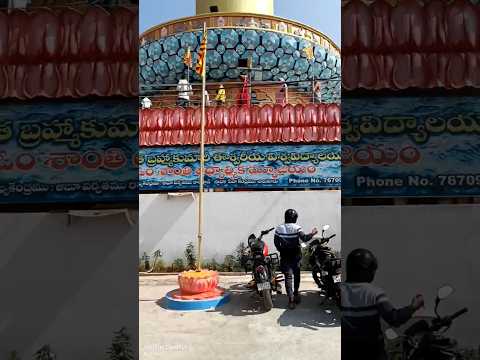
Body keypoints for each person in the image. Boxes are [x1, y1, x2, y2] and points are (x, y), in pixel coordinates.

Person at [340, 248, 425, 360]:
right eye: (373, 269)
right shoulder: (374, 293)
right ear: (366, 270)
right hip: (372, 352)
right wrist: (413, 306)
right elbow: (394, 319)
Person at [274, 209, 318, 309]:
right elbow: (305, 238)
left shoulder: (279, 229)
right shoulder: (297, 227)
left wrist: (281, 250)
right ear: (295, 218)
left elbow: (276, 243)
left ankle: (291, 300)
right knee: (296, 274)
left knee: (288, 277)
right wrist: (312, 233)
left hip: (285, 256)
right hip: (296, 255)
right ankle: (296, 293)